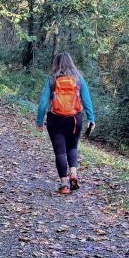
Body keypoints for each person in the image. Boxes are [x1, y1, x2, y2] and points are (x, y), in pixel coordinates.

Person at [36, 53, 96, 195]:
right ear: (71, 62)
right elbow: (87, 100)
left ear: (56, 63)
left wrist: (39, 121)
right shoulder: (79, 78)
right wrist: (91, 119)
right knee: (72, 147)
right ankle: (73, 173)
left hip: (55, 119)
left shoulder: (52, 78)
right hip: (75, 119)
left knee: (60, 152)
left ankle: (64, 185)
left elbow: (43, 102)